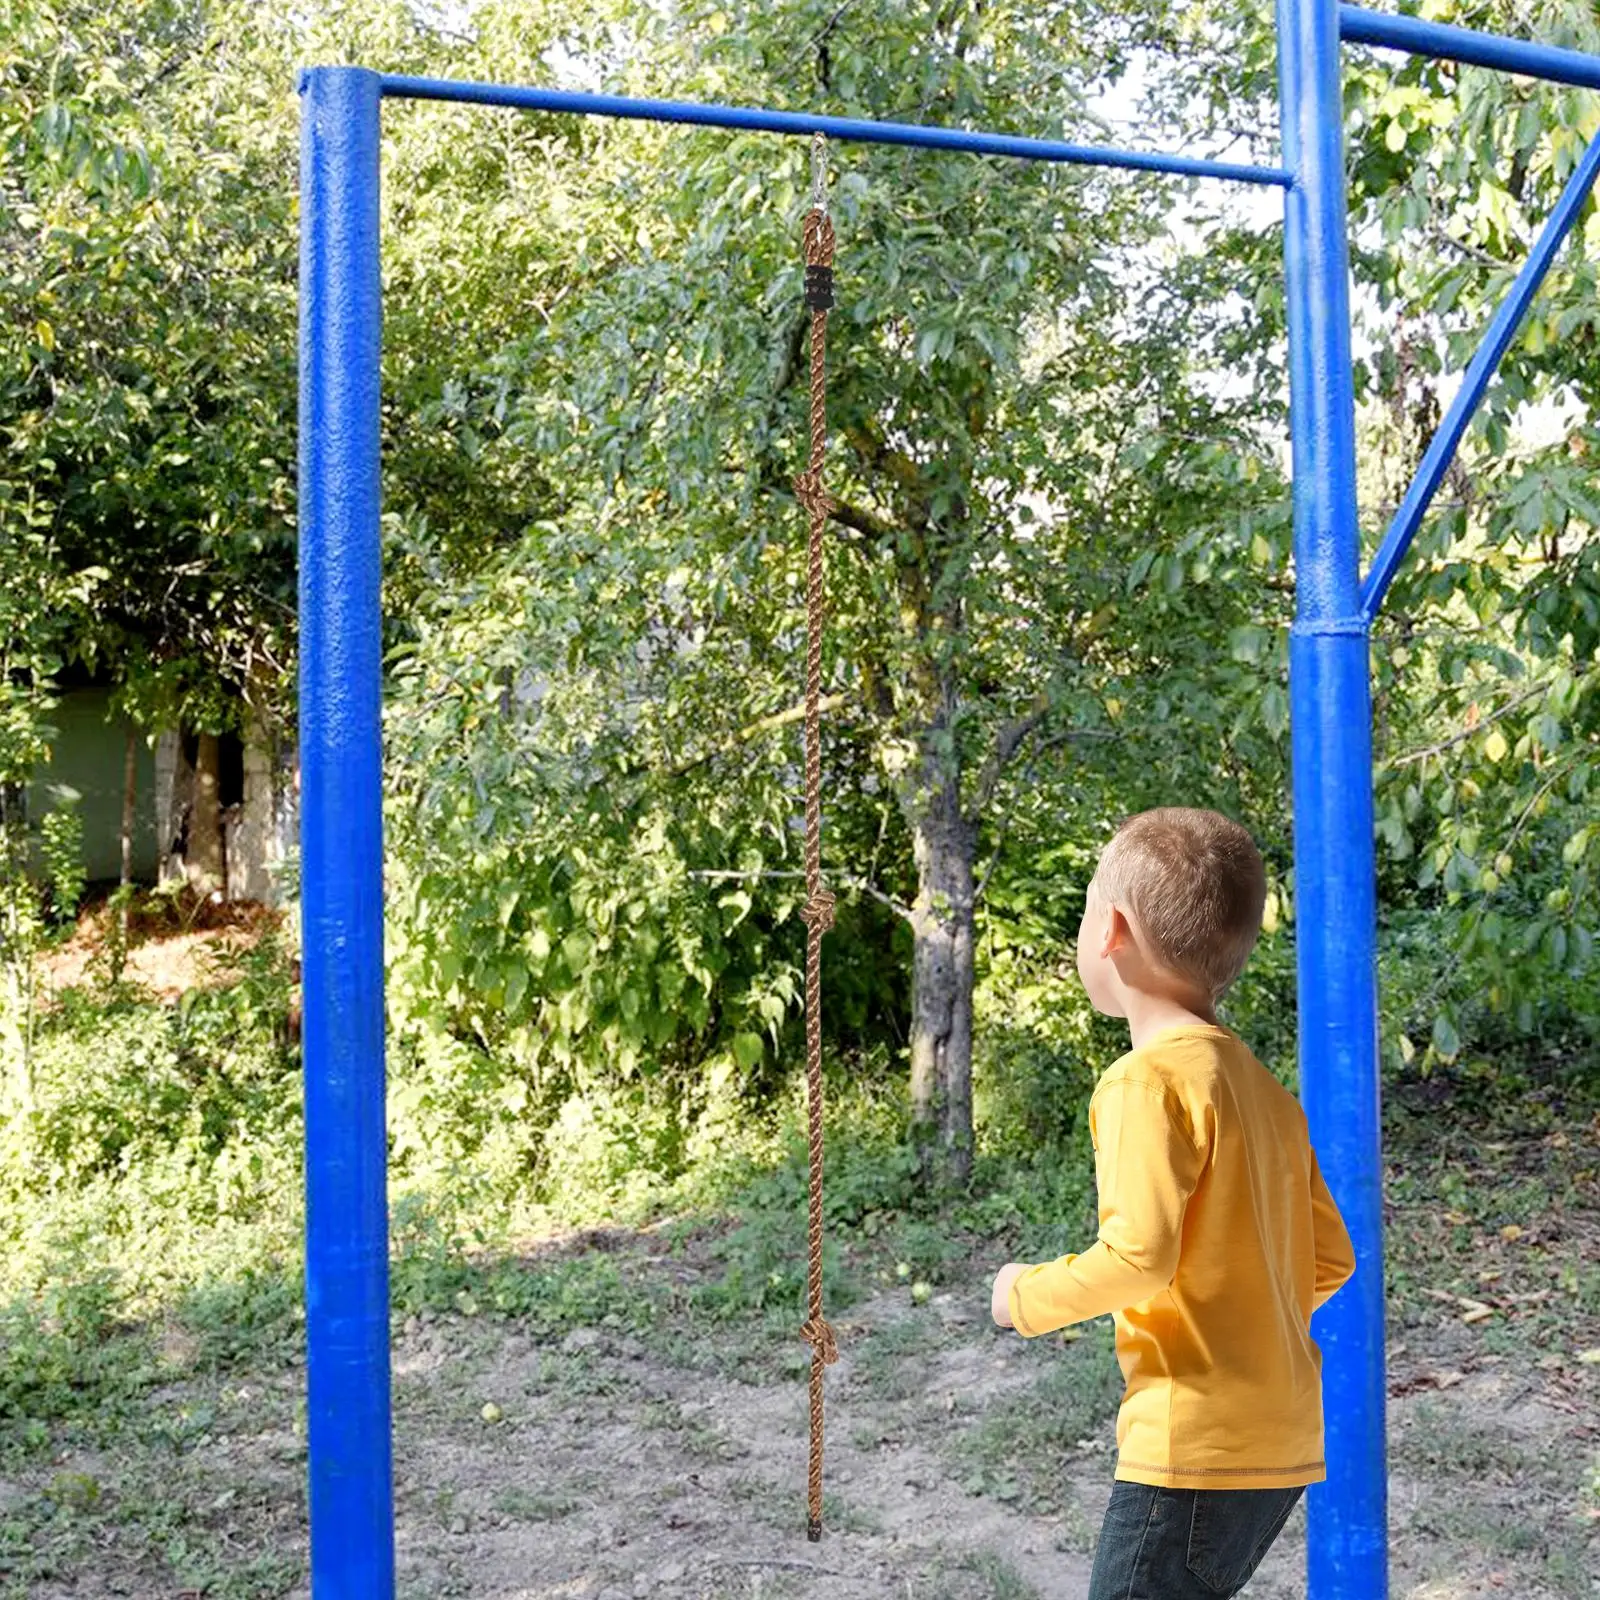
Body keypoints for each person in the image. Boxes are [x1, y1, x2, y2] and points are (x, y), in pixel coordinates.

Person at [989, 807, 1356, 1600]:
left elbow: (1139, 1258)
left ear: (1111, 930)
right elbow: (1331, 1258)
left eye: (1085, 913)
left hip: (1193, 1445)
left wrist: (1024, 1297)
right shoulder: (1261, 1089)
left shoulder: (1145, 1083)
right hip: (1281, 1439)